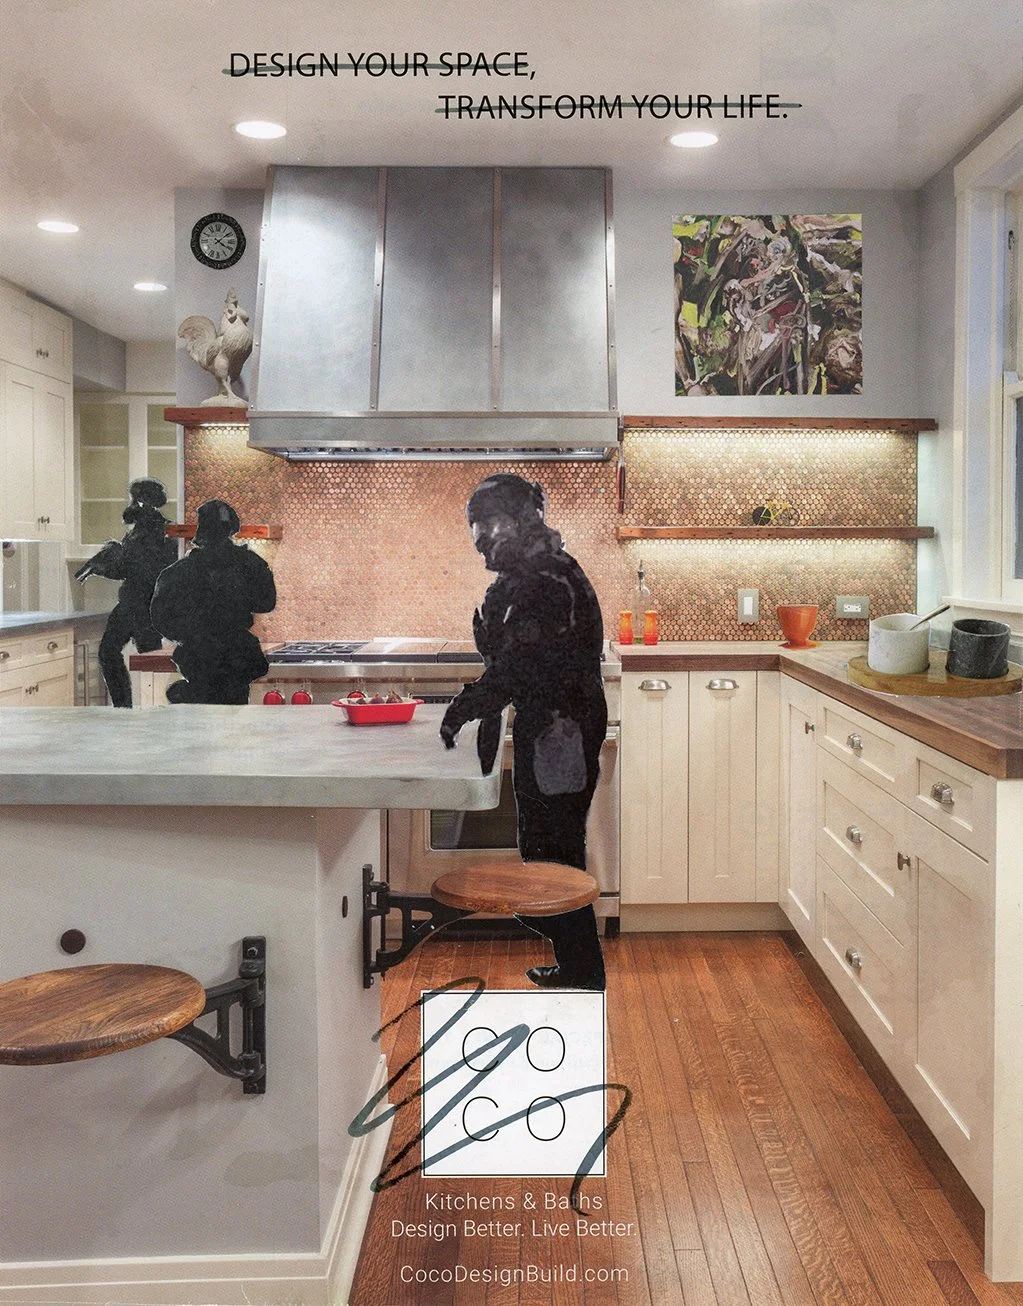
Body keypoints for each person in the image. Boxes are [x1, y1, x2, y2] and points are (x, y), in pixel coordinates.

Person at [440, 474, 608, 991]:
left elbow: (520, 668)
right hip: (553, 728)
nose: (480, 536)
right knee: (547, 849)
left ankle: (583, 975)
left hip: (562, 733)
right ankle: (577, 967)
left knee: (553, 854)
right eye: (475, 525)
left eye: (490, 522)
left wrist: (466, 706)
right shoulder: (526, 576)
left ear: (522, 520)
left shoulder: (545, 581)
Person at [150, 499, 276, 705]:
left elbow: (160, 619)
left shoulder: (178, 571)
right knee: (233, 719)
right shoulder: (250, 564)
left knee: (201, 721)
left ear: (202, 532)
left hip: (198, 657)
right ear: (232, 530)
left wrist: (189, 633)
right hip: (237, 657)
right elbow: (267, 603)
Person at [73, 478, 178, 708]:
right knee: (111, 653)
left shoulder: (163, 532)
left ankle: (142, 709)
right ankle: (125, 707)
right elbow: (127, 568)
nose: (132, 504)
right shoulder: (138, 531)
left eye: (136, 499)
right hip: (132, 602)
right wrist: (106, 561)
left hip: (146, 604)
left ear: (145, 501)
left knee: (149, 661)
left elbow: (141, 569)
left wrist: (110, 560)